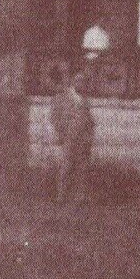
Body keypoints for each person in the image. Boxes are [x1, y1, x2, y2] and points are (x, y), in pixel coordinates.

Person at [49, 72, 96, 203]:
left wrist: (89, 136)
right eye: (79, 81)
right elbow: (54, 117)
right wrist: (61, 133)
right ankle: (61, 195)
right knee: (66, 167)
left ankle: (80, 196)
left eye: (84, 82)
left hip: (83, 140)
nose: (82, 84)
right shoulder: (62, 98)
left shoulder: (85, 100)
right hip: (68, 138)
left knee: (82, 168)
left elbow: (90, 121)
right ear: (73, 82)